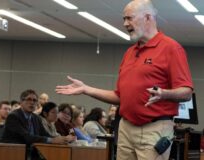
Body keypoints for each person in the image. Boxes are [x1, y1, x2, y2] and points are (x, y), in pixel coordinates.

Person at [55, 0, 193, 159]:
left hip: (154, 128)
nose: (125, 23)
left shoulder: (171, 48)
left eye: (129, 18)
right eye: (124, 19)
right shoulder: (130, 53)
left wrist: (164, 94)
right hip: (126, 127)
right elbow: (120, 96)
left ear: (148, 17)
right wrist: (86, 89)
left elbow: (186, 92)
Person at [2, 89, 75, 145]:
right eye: (29, 99)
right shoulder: (13, 116)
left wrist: (63, 139)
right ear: (21, 102)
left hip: (33, 152)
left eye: (34, 100)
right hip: (15, 153)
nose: (32, 102)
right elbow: (26, 137)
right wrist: (52, 140)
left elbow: (45, 135)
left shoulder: (36, 118)